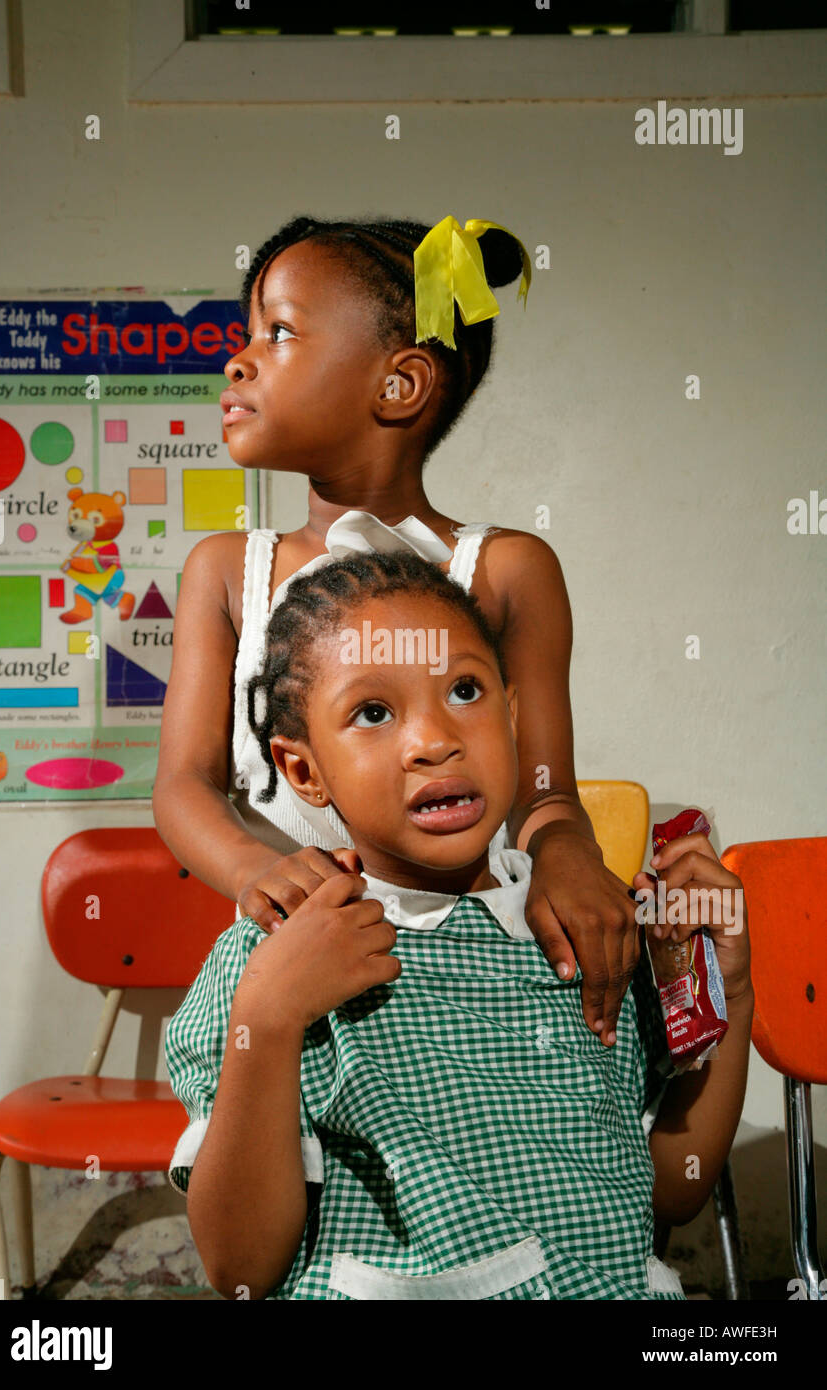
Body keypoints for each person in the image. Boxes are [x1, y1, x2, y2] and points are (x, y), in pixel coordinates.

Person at [165, 550, 754, 1302]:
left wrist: (730, 994)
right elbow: (240, 1269)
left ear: (511, 716)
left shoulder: (582, 928)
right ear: (304, 770)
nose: (435, 739)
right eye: (373, 713)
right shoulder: (275, 952)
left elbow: (671, 1192)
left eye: (465, 691)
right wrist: (269, 1018)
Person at [153, 213, 644, 1048]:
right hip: (308, 954)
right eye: (248, 335)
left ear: (398, 385)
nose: (237, 359)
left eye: (278, 333)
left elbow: (543, 788)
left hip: (482, 961)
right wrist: (262, 873)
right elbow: (184, 786)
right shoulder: (228, 571)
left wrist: (565, 851)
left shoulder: (507, 570)